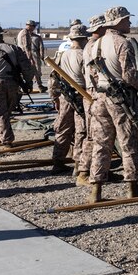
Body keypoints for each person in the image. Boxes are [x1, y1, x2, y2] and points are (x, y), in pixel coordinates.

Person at [86, 6, 138, 201]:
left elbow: (92, 75)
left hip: (99, 98)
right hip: (120, 99)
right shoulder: (122, 43)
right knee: (128, 141)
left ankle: (95, 191)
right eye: (127, 20)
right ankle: (132, 186)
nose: (129, 23)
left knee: (101, 144)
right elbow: (129, 75)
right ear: (117, 22)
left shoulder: (94, 45)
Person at [49, 24, 89, 175]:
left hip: (65, 95)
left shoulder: (63, 55)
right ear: (84, 38)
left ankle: (57, 161)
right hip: (80, 95)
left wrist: (54, 97)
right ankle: (78, 164)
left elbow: (53, 78)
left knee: (63, 129)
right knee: (82, 130)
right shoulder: (84, 55)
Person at [76, 14, 106, 185]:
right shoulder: (94, 46)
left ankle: (98, 171)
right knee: (93, 135)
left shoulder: (90, 45)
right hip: (94, 93)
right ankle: (84, 172)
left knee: (97, 135)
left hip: (92, 92)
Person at [16, 20, 47, 93]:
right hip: (28, 55)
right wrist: (30, 58)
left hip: (22, 55)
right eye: (33, 26)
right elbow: (26, 47)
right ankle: (32, 87)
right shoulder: (25, 33)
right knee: (34, 71)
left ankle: (28, 87)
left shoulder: (21, 32)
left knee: (28, 72)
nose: (34, 28)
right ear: (30, 26)